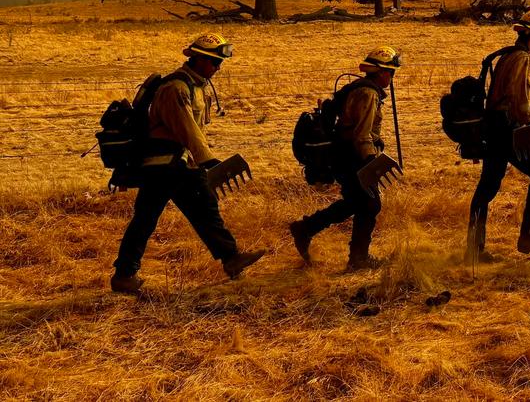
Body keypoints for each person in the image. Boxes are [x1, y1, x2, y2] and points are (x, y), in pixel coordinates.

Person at [111, 33, 265, 294]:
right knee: (183, 213)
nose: (218, 68)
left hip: (175, 164)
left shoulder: (195, 86)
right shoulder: (176, 89)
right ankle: (230, 258)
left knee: (180, 213)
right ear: (198, 59)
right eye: (214, 62)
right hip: (165, 165)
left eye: (219, 63)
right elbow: (187, 128)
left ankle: (230, 258)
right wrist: (207, 159)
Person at [290, 47, 400, 270]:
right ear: (381, 73)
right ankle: (358, 259)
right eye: (391, 72)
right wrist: (370, 162)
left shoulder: (362, 89)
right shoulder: (368, 94)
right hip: (352, 155)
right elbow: (362, 134)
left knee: (357, 202)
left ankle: (307, 228)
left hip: (344, 153)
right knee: (369, 203)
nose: (392, 77)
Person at [467, 10, 530, 261]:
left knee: (487, 188)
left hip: (495, 128)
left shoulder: (508, 55)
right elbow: (518, 99)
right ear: (529, 35)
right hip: (509, 129)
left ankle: (473, 250)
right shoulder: (521, 58)